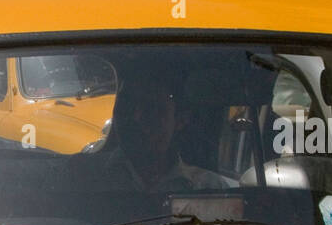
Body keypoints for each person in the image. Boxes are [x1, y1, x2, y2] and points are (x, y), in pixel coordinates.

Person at [97, 75, 235, 189]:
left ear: (180, 120)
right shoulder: (84, 177)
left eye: (151, 108)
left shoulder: (209, 188)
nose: (136, 118)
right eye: (126, 106)